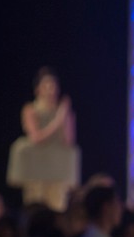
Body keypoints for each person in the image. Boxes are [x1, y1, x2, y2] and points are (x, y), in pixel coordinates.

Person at [6, 67, 80, 212]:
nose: (50, 90)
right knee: (35, 208)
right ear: (38, 89)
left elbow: (69, 141)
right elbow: (36, 137)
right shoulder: (30, 109)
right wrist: (57, 121)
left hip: (57, 168)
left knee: (57, 209)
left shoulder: (63, 111)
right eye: (46, 86)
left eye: (53, 86)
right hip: (36, 168)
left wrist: (65, 117)